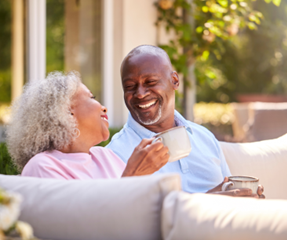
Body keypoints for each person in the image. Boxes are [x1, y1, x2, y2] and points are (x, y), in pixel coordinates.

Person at [106, 45, 265, 198]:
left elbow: (229, 191)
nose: (140, 94)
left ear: (174, 80)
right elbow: (126, 219)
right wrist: (207, 203)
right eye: (130, 86)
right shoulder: (116, 153)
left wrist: (246, 200)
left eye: (150, 82)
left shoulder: (203, 137)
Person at [6, 71, 170, 179]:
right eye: (92, 98)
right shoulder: (42, 167)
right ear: (67, 112)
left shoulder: (106, 156)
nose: (103, 107)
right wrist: (133, 176)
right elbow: (80, 225)